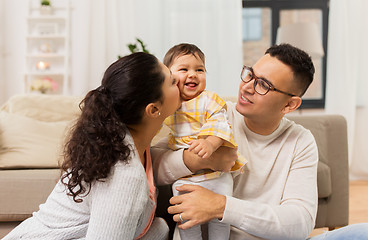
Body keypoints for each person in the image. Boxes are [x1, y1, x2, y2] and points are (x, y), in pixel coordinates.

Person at [152, 43, 368, 239]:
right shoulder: (217, 116)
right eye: (249, 75)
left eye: (263, 85)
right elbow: (150, 164)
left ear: (290, 105)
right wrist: (197, 161)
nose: (246, 87)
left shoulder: (300, 141)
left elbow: (300, 221)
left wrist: (221, 206)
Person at [3, 52, 181, 240]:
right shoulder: (125, 176)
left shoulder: (126, 144)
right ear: (153, 110)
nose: (179, 78)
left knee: (159, 228)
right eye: (171, 80)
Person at [162, 43, 246, 240]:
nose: (193, 74)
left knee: (220, 222)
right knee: (186, 222)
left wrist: (210, 143)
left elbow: (221, 124)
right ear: (169, 76)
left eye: (199, 70)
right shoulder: (170, 103)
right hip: (185, 177)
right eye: (184, 69)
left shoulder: (209, 100)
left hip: (216, 175)